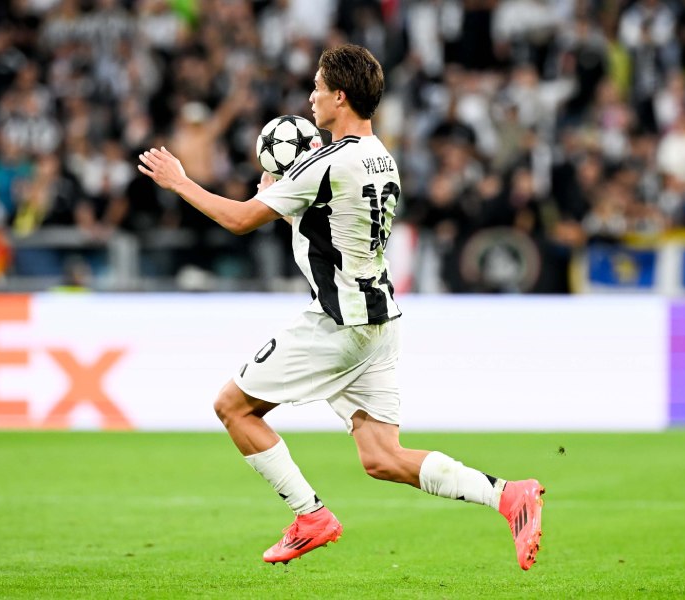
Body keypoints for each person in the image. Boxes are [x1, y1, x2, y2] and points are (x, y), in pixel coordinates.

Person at [137, 44, 545, 570]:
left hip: (339, 323)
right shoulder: (380, 157)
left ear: (340, 97)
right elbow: (336, 229)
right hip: (379, 322)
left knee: (233, 407)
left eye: (317, 87)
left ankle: (309, 516)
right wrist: (288, 203)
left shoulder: (326, 164)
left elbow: (239, 220)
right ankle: (508, 495)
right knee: (383, 458)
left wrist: (180, 181)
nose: (311, 97)